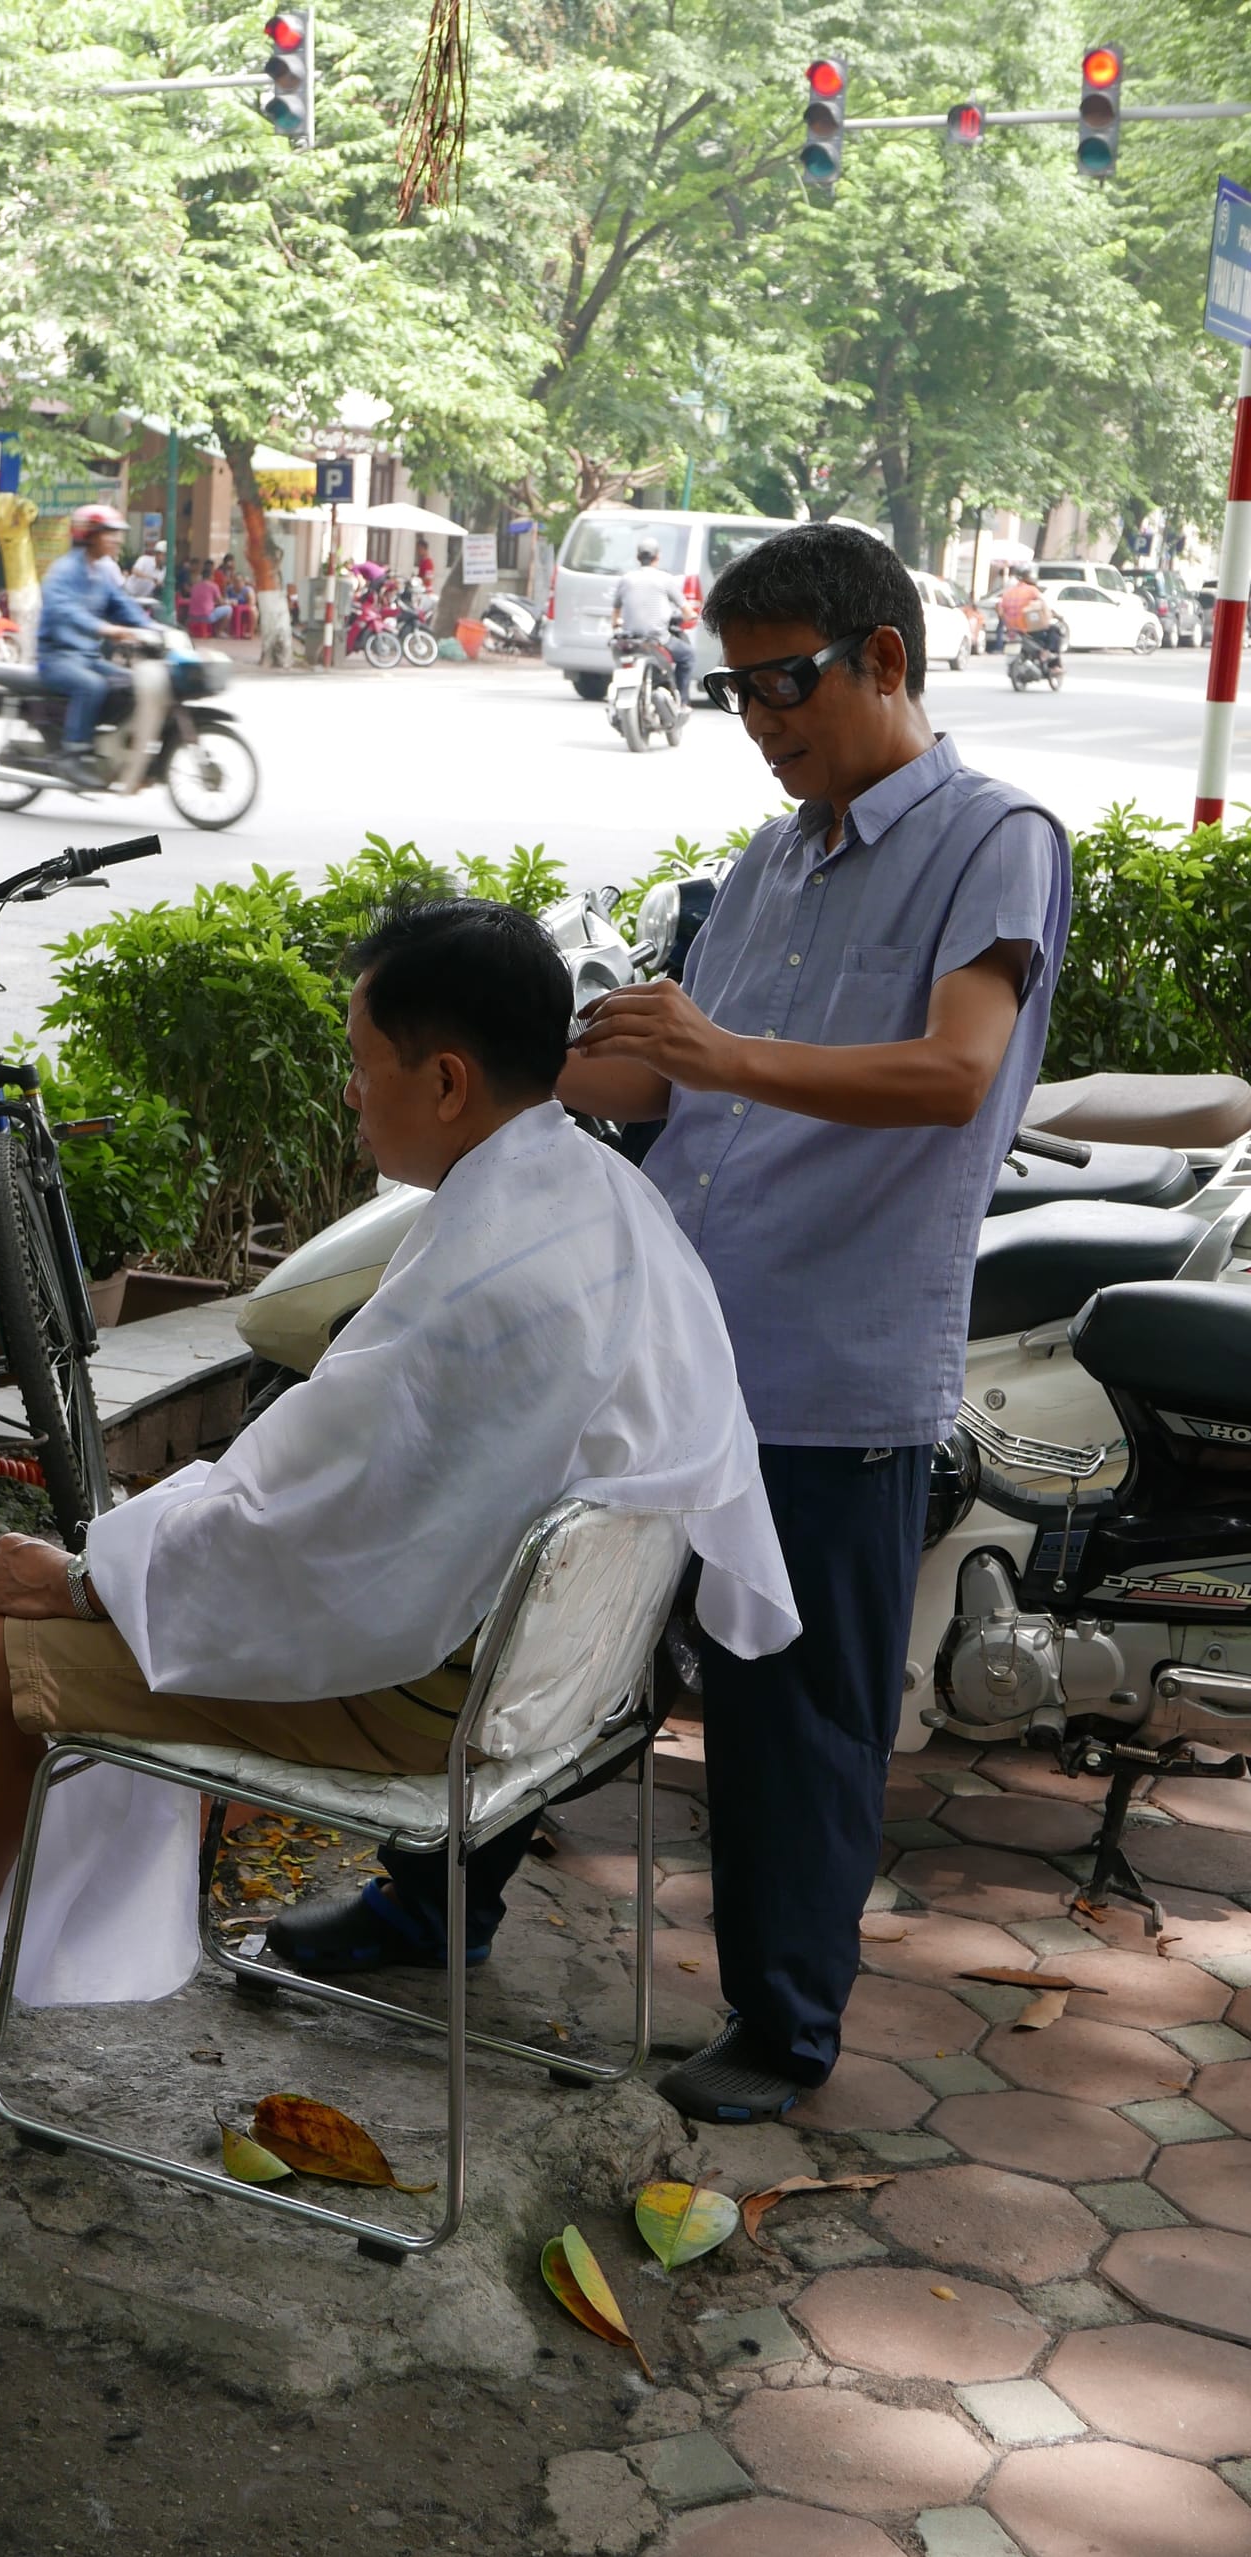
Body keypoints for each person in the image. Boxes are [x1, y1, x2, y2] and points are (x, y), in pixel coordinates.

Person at [305, 524, 1069, 2122]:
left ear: (885, 659)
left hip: (829, 1367)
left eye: (787, 681)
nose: (764, 718)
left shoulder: (993, 839)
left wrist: (720, 1054)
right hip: (661, 1341)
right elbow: (663, 1078)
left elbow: (950, 1077)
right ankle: (426, 1901)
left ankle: (785, 2024)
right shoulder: (778, 858)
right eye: (733, 692)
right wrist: (494, 1049)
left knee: (797, 1711)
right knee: (527, 1637)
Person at [0, 901, 797, 2026]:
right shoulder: (598, 1195)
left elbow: (293, 1528)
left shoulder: (483, 1283)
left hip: (440, 1699)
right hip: (565, 1675)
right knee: (130, 1578)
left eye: (359, 1063)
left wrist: (87, 1580)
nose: (349, 1092)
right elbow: (317, 1501)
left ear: (445, 1082)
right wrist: (119, 1569)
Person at [32, 504, 148, 783]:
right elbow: (65, 611)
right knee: (91, 686)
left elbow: (123, 605)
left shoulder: (99, 573)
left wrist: (155, 629)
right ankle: (74, 754)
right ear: (90, 536)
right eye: (109, 533)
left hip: (87, 657)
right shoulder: (64, 571)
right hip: (56, 658)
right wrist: (104, 628)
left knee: (131, 683)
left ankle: (105, 746)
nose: (117, 540)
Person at [609, 536, 693, 702]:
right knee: (687, 656)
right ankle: (682, 701)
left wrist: (616, 623)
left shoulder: (626, 579)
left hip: (630, 638)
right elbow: (687, 612)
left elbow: (616, 611)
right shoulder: (665, 579)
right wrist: (691, 616)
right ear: (658, 556)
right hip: (657, 638)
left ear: (638, 557)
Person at [185, 559, 221, 638]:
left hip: (192, 617)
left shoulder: (194, 586)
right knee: (228, 609)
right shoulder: (214, 586)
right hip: (206, 617)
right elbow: (220, 601)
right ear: (211, 576)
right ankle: (219, 632)